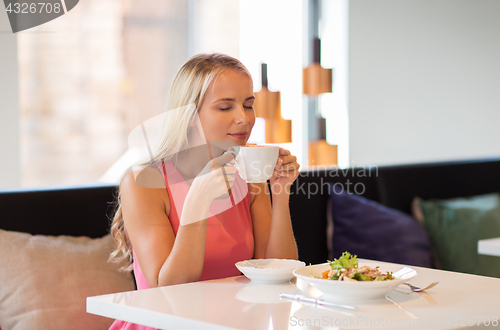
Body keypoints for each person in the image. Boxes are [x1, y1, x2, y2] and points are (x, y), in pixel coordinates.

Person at [108, 53, 300, 330]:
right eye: (225, 108)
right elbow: (170, 290)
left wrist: (280, 195)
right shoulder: (143, 182)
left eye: (248, 105)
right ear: (188, 116)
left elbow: (279, 273)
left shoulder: (248, 173)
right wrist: (197, 201)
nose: (243, 119)